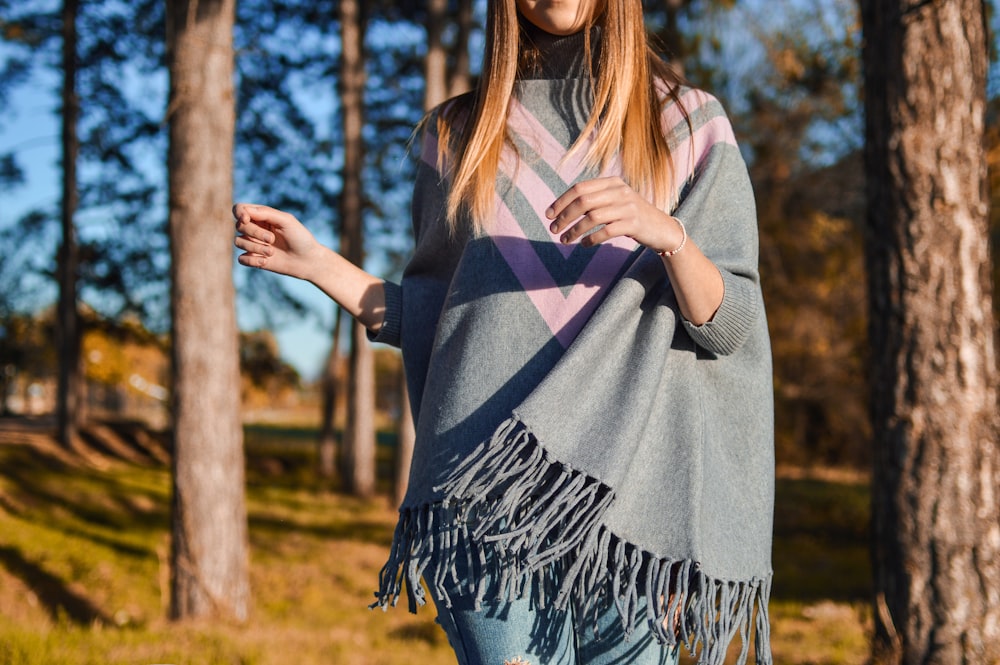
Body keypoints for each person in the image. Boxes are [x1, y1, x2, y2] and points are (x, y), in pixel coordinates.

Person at [234, 1, 774, 663]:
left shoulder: (688, 123)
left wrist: (666, 234)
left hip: (636, 511)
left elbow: (731, 326)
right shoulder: (457, 134)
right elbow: (441, 324)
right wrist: (322, 266)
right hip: (488, 503)